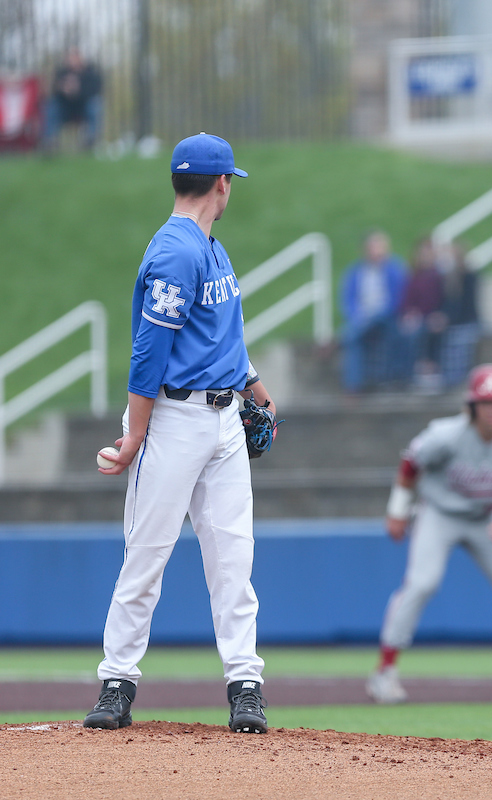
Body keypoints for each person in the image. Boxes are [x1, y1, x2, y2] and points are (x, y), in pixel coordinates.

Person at [84, 133, 274, 734]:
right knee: (147, 553)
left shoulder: (212, 248)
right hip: (171, 420)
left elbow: (223, 339)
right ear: (221, 184)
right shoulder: (175, 252)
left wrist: (256, 391)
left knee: (233, 560)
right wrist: (137, 435)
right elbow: (149, 353)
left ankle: (246, 684)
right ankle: (117, 681)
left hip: (221, 421)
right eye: (229, 183)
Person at [367, 364, 492, 703]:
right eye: (484, 403)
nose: (490, 410)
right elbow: (410, 464)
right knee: (422, 583)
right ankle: (385, 673)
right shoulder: (446, 434)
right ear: (471, 405)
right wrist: (398, 511)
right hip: (440, 512)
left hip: (488, 517)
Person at [339, 230, 407, 394]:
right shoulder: (355, 272)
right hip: (362, 319)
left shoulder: (395, 269)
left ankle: (354, 385)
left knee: (351, 335)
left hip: (386, 317)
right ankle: (354, 385)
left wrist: (378, 314)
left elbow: (399, 298)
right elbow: (348, 300)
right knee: (353, 338)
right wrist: (357, 316)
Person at [398, 238, 446, 391]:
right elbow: (407, 301)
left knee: (431, 329)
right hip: (417, 318)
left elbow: (444, 300)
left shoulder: (439, 277)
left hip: (434, 317)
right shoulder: (413, 277)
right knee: (410, 331)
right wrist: (410, 313)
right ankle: (409, 372)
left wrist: (439, 315)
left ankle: (430, 368)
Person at [42, 47, 103, 152]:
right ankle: (49, 140)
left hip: (83, 107)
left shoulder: (90, 73)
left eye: (75, 57)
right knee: (51, 105)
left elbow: (96, 90)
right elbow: (52, 91)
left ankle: (91, 138)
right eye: (70, 58)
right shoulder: (61, 73)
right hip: (65, 108)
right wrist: (63, 89)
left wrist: (78, 90)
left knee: (95, 104)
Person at [439, 243, 481, 387]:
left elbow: (467, 307)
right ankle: (450, 380)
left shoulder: (469, 277)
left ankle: (457, 381)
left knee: (459, 341)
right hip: (454, 323)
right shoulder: (446, 279)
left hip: (467, 322)